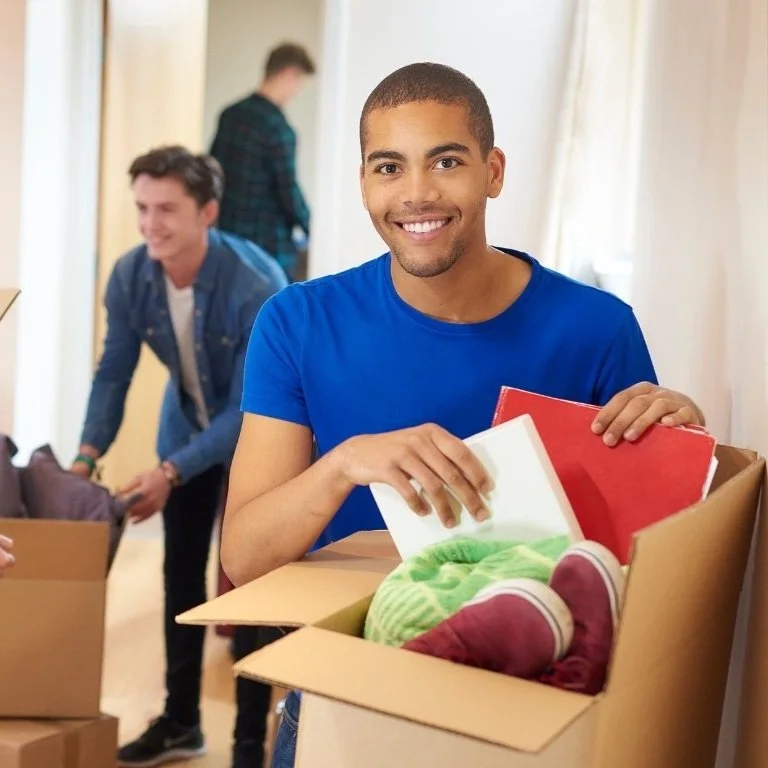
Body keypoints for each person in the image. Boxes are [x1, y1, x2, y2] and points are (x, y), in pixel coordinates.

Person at [219, 63, 706, 767]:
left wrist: (679, 440)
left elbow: (648, 575)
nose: (416, 193)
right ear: (363, 183)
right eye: (389, 167)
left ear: (493, 171)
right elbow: (243, 555)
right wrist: (344, 463)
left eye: (446, 161)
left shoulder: (597, 329)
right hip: (350, 701)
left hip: (530, 715)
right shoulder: (296, 324)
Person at [71, 145, 288, 768]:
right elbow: (113, 373)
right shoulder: (131, 275)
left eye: (167, 209)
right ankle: (179, 722)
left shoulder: (258, 285)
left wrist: (170, 471)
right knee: (179, 579)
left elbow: (249, 410)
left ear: (208, 212)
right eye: (142, 207)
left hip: (261, 436)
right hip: (187, 428)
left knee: (248, 583)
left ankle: (249, 743)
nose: (150, 224)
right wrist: (86, 459)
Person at [210, 42, 316, 282]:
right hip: (267, 251)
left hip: (226, 243)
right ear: (289, 74)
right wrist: (314, 229)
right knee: (269, 316)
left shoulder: (230, 115)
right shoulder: (278, 128)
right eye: (298, 82)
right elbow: (289, 193)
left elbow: (211, 176)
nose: (296, 91)